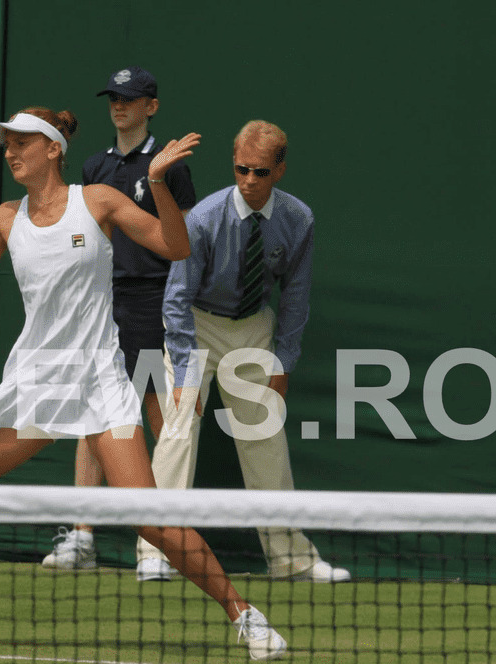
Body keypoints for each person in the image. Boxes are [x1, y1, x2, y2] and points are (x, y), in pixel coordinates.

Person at [0, 108, 286, 660]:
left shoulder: (99, 202)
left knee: (152, 519)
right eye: (7, 146)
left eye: (22, 144)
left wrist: (158, 182)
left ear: (52, 149)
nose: (11, 153)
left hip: (98, 381)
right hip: (34, 381)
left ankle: (247, 616)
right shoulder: (4, 218)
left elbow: (175, 245)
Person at [148, 119, 350, 584]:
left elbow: (296, 294)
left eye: (260, 172)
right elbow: (176, 296)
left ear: (279, 170)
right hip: (195, 325)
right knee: (178, 432)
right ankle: (156, 552)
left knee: (266, 441)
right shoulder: (203, 217)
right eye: (241, 170)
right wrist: (182, 369)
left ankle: (290, 560)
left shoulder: (298, 219)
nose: (249, 181)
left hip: (254, 327)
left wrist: (284, 360)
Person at [38, 66, 198, 581]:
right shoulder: (93, 167)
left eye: (130, 99)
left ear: (151, 105)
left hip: (155, 302)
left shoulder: (169, 165)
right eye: (114, 98)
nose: (119, 106)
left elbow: (183, 242)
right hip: (105, 308)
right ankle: (82, 537)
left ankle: (155, 547)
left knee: (156, 419)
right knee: (93, 417)